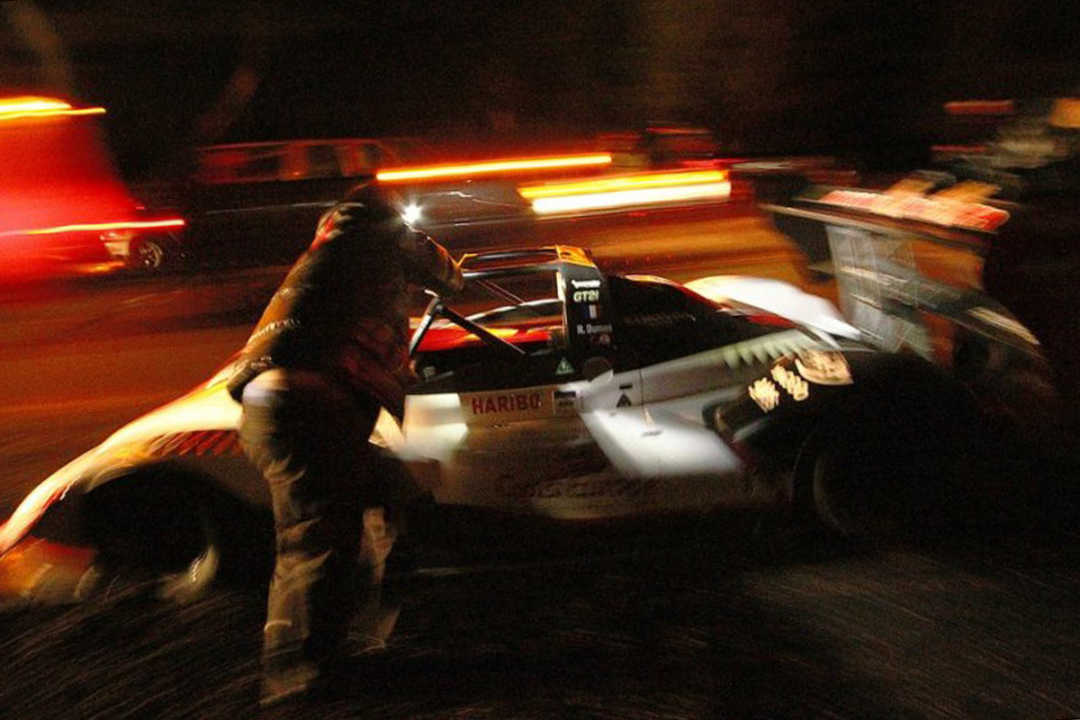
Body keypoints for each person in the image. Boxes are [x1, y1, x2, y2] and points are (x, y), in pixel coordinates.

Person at [226, 181, 464, 706]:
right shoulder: (382, 242)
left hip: (275, 405)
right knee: (317, 541)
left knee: (400, 495)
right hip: (312, 408)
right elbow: (450, 276)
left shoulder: (323, 254)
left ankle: (381, 635)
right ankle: (300, 682)